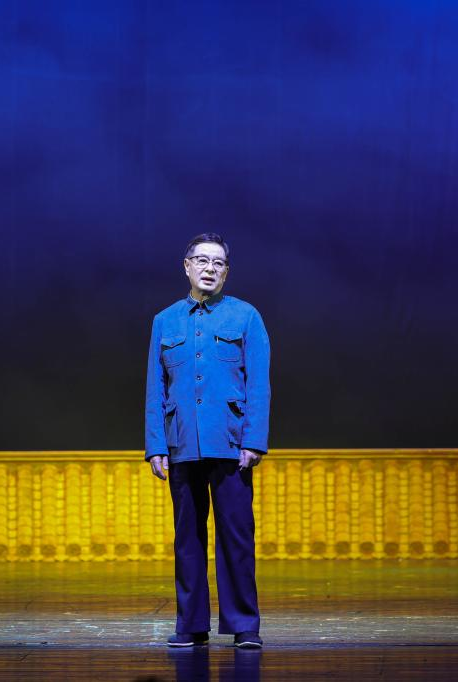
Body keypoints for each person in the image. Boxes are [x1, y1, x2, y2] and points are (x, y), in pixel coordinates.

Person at [144, 232, 271, 649]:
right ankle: (191, 625)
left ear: (226, 272)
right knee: (188, 539)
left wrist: (254, 440)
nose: (210, 268)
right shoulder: (165, 321)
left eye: (218, 263)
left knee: (236, 537)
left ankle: (244, 625)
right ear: (187, 267)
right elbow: (155, 388)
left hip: (231, 444)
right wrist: (156, 445)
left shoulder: (246, 316)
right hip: (182, 444)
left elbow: (259, 385)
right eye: (202, 260)